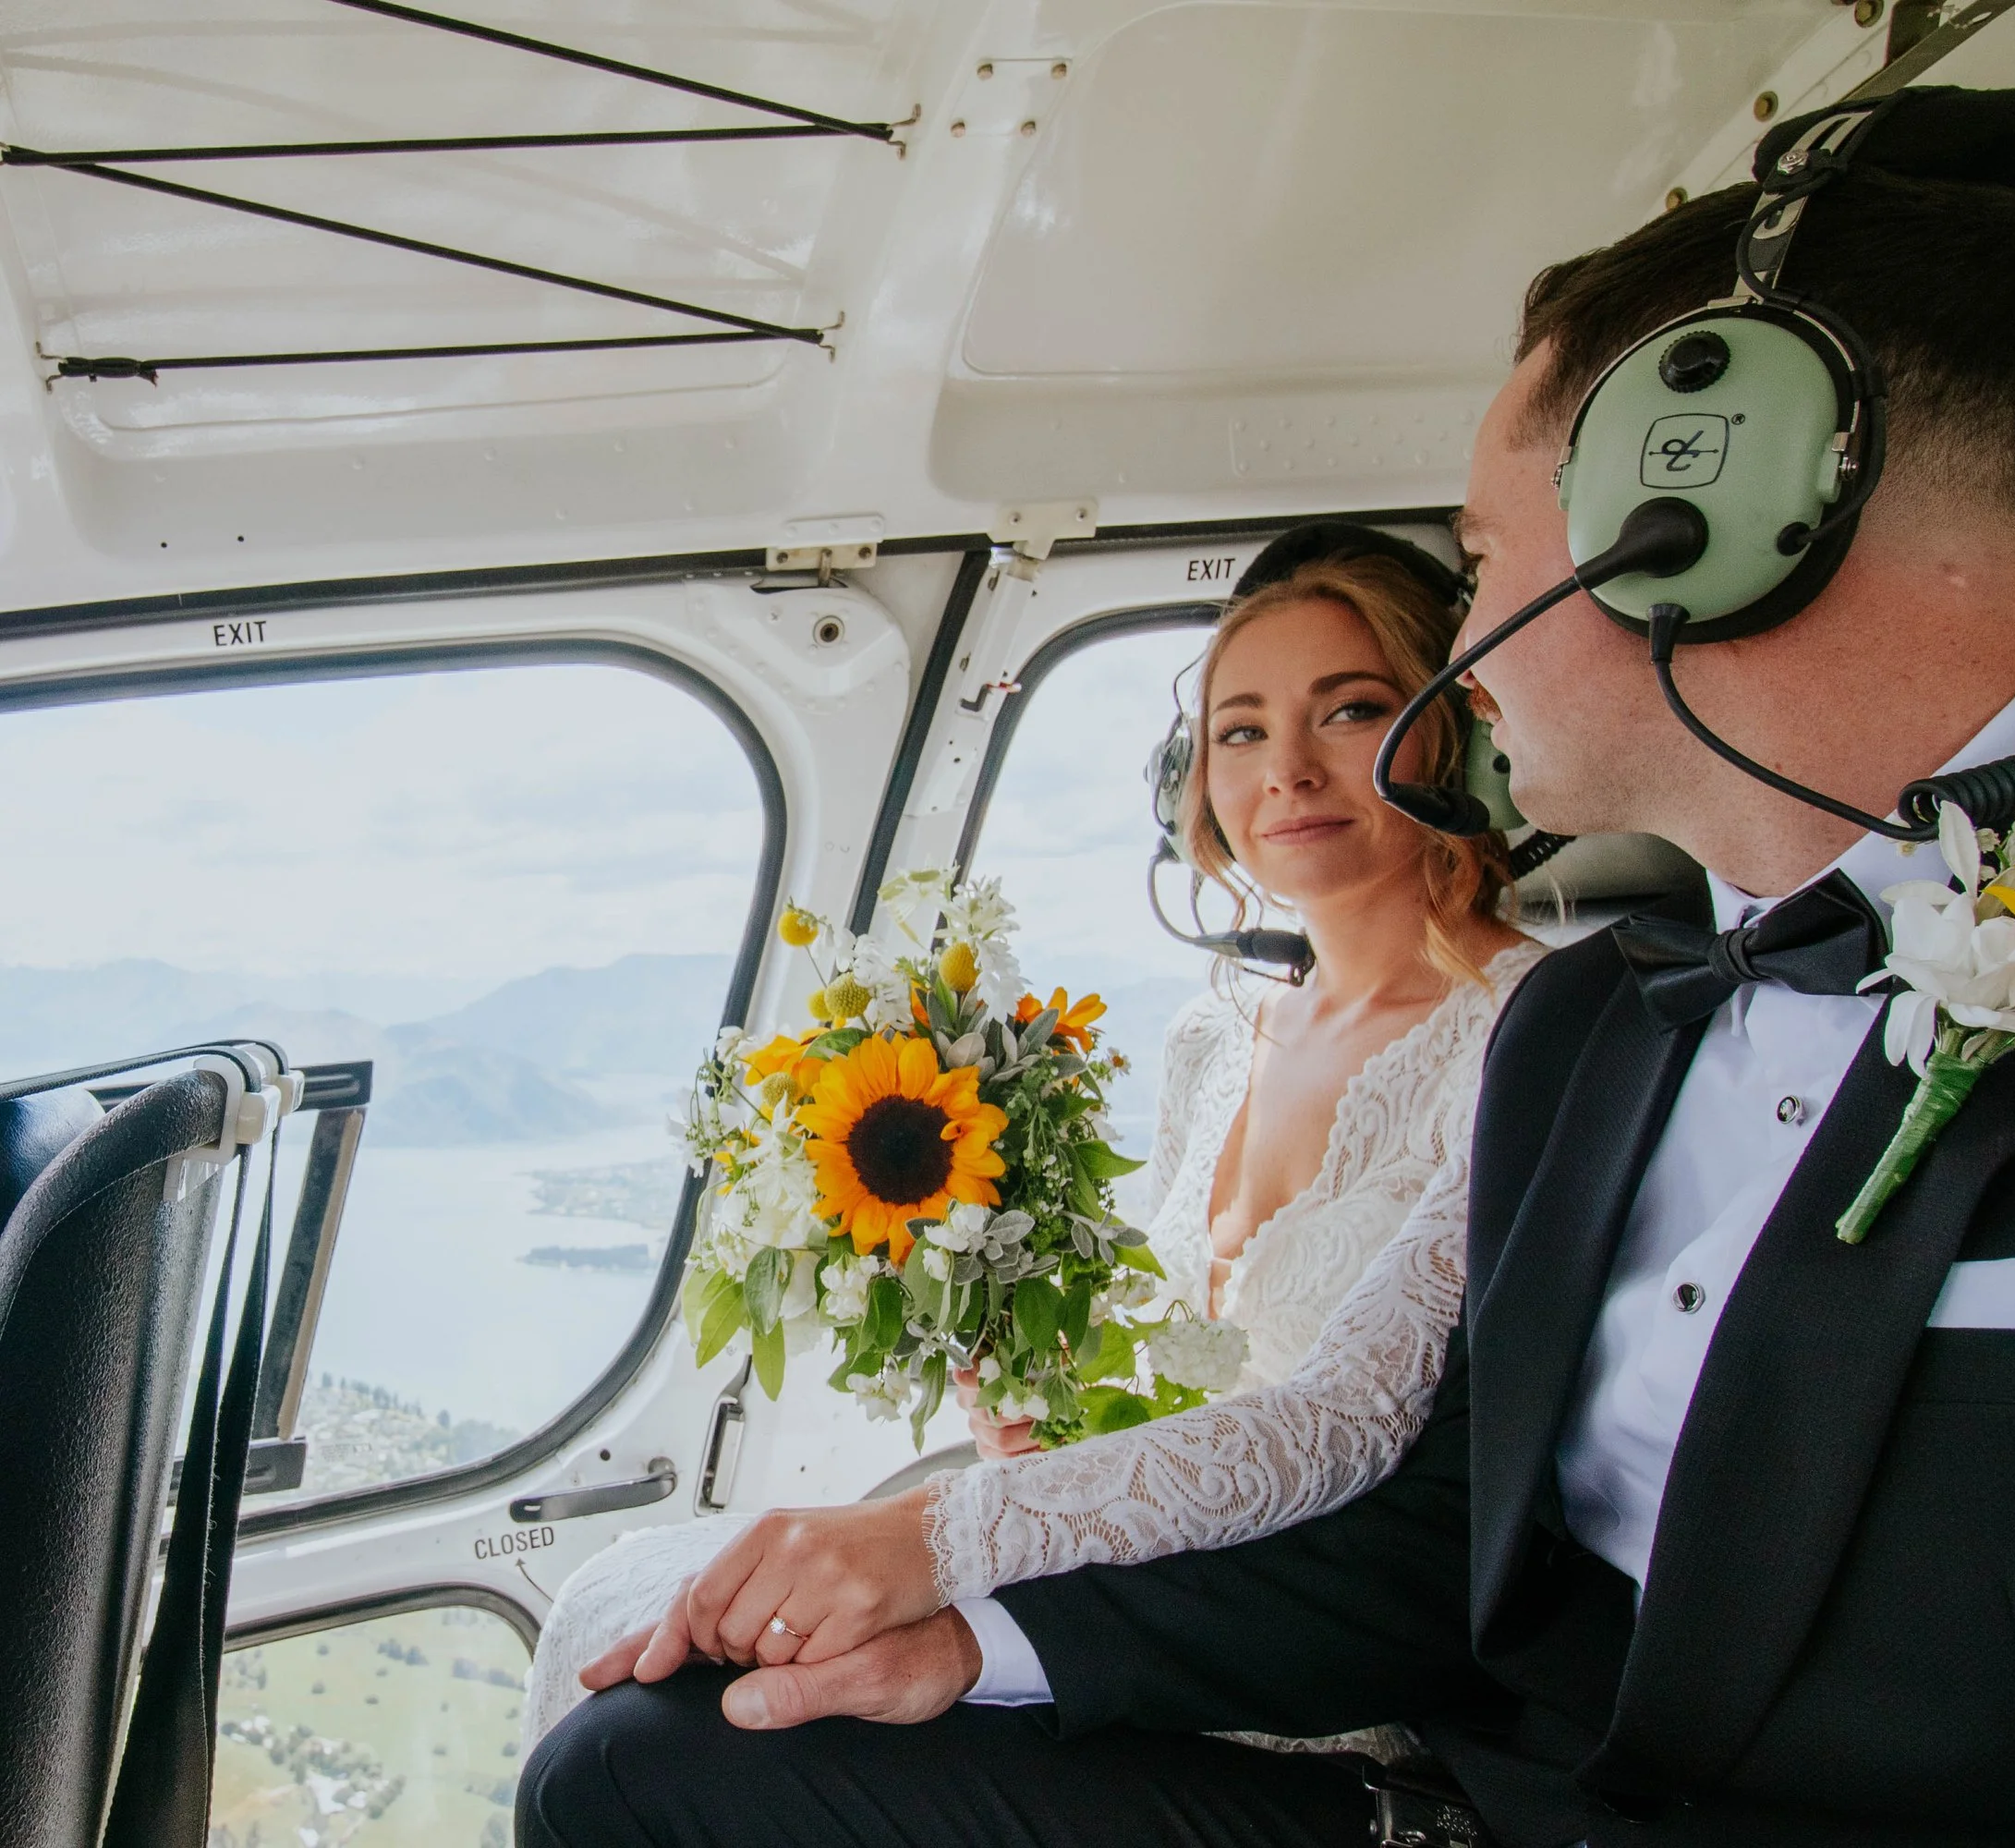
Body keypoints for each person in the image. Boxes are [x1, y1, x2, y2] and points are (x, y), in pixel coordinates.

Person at [519, 91, 2015, 1845]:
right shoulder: (1601, 1033)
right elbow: (1439, 1546)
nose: (1470, 654)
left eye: (1476, 565)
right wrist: (974, 1637)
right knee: (642, 1761)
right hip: (1481, 1794)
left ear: (1701, 521)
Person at [519, 534, 1540, 1752]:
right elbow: (1166, 1378)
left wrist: (944, 1530)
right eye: (1243, 731)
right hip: (1141, 1566)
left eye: (1354, 711)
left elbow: (1341, 1420)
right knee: (616, 1601)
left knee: (666, 1739)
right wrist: (1046, 1425)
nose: (1289, 773)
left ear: (1458, 739)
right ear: (1191, 781)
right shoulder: (1217, 1037)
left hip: (1288, 1645)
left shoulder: (1530, 1036)